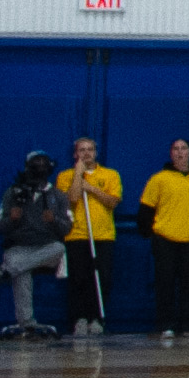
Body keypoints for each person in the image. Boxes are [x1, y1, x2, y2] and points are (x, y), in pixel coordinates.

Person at [138, 137, 189, 342]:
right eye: (176, 149)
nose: (180, 153)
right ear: (171, 154)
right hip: (165, 238)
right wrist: (151, 233)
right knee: (165, 283)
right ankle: (166, 325)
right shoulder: (159, 179)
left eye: (184, 148)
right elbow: (146, 211)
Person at [0, 152, 69, 339]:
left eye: (43, 163)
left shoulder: (58, 196)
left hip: (47, 248)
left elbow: (67, 228)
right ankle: (27, 324)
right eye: (35, 163)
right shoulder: (13, 192)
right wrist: (12, 219)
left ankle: (6, 271)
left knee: (59, 248)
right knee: (21, 269)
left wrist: (54, 220)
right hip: (18, 247)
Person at [58, 137, 120, 337]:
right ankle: (79, 318)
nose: (86, 153)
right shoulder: (65, 176)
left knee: (101, 278)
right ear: (75, 154)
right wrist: (78, 173)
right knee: (79, 279)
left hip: (102, 235)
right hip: (77, 235)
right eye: (81, 150)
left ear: (96, 152)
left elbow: (112, 201)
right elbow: (73, 198)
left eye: (90, 149)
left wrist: (91, 188)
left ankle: (97, 318)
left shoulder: (110, 175)